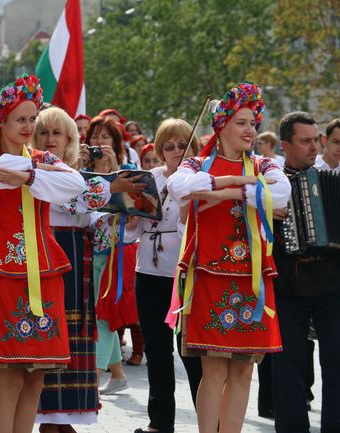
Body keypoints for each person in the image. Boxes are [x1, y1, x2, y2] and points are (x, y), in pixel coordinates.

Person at [0, 75, 84, 433]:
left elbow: (74, 184)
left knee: (36, 379)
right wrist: (37, 172)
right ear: (2, 122)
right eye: (21, 120)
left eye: (33, 119)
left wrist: (29, 176)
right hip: (2, 273)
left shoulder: (41, 160)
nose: (29, 127)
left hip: (45, 271)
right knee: (11, 377)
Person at [166, 82, 290, 433]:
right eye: (242, 122)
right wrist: (239, 187)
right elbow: (180, 186)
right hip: (209, 271)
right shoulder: (197, 162)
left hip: (251, 274)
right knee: (215, 367)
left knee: (243, 368)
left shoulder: (264, 163)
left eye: (253, 122)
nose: (251, 130)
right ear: (221, 126)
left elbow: (281, 193)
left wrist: (224, 188)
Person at [32, 107, 106, 433]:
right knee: (46, 329)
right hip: (45, 253)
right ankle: (48, 417)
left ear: (70, 140)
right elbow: (74, 200)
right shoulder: (34, 171)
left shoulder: (78, 177)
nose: (50, 140)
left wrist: (119, 216)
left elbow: (92, 219)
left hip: (75, 255)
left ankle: (65, 417)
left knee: (73, 333)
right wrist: (107, 191)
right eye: (44, 133)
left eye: (57, 134)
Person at [126, 118, 202, 433]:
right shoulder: (150, 178)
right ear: (159, 150)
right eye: (168, 146)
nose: (175, 151)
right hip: (148, 272)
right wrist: (129, 212)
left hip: (183, 275)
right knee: (157, 351)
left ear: (193, 148)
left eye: (182, 145)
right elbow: (132, 233)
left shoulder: (197, 178)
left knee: (191, 351)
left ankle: (210, 419)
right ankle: (160, 422)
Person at [271, 111, 340, 433]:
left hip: (331, 284)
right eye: (305, 141)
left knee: (337, 363)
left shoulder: (328, 178)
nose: (314, 147)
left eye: (316, 140)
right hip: (288, 286)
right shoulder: (270, 182)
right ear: (285, 145)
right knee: (290, 367)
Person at [83, 116, 141, 393]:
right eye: (95, 137)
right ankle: (117, 374)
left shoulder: (127, 171)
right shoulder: (81, 172)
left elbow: (136, 209)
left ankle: (91, 380)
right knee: (99, 314)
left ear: (116, 143)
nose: (99, 143)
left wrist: (115, 169)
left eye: (105, 137)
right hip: (86, 251)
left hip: (116, 254)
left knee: (103, 316)